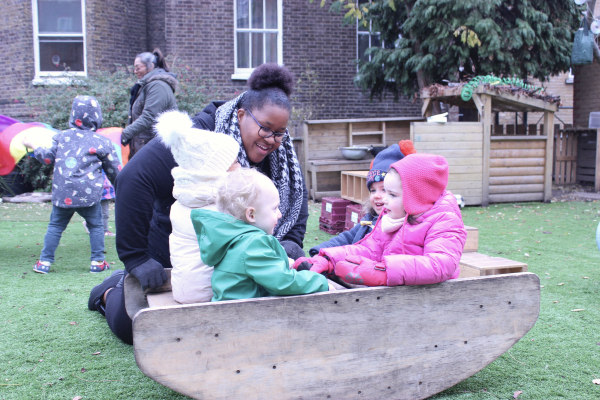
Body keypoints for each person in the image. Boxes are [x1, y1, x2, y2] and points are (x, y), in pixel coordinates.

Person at [88, 63, 308, 344]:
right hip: (181, 257)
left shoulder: (283, 153)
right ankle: (110, 291)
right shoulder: (200, 138)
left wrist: (289, 241)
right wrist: (137, 259)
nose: (271, 140)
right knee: (135, 328)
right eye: (265, 128)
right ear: (241, 114)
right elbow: (133, 177)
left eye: (279, 132)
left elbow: (296, 199)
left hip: (246, 262)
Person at [293, 153, 467, 287]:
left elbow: (440, 264)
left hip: (432, 303)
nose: (384, 200)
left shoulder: (444, 221)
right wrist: (330, 259)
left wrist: (384, 271)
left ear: (416, 196)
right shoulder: (393, 218)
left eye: (392, 194)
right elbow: (369, 249)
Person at [193, 168, 330, 301]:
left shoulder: (232, 239)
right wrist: (320, 282)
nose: (280, 214)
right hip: (248, 316)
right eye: (275, 208)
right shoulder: (254, 243)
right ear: (251, 214)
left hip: (233, 311)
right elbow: (282, 282)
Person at [23, 95, 121, 274]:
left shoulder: (62, 137)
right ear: (96, 117)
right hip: (89, 195)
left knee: (56, 226)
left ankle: (44, 262)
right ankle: (97, 262)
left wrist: (32, 147)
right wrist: (123, 187)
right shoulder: (102, 141)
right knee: (96, 226)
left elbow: (46, 158)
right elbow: (114, 170)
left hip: (63, 193)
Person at [158, 109, 241, 304]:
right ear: (215, 171)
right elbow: (249, 247)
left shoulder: (184, 202)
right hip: (207, 294)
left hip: (185, 289)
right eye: (234, 162)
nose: (239, 166)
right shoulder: (217, 210)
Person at [308, 140, 415, 257]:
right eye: (373, 190)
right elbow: (347, 237)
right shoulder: (370, 218)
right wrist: (319, 251)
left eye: (384, 190)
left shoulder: (400, 227)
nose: (377, 195)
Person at [121, 48, 178, 159]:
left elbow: (149, 117)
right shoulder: (147, 86)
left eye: (138, 67)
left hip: (154, 150)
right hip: (145, 148)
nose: (135, 71)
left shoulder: (158, 86)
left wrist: (123, 134)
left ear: (150, 66)